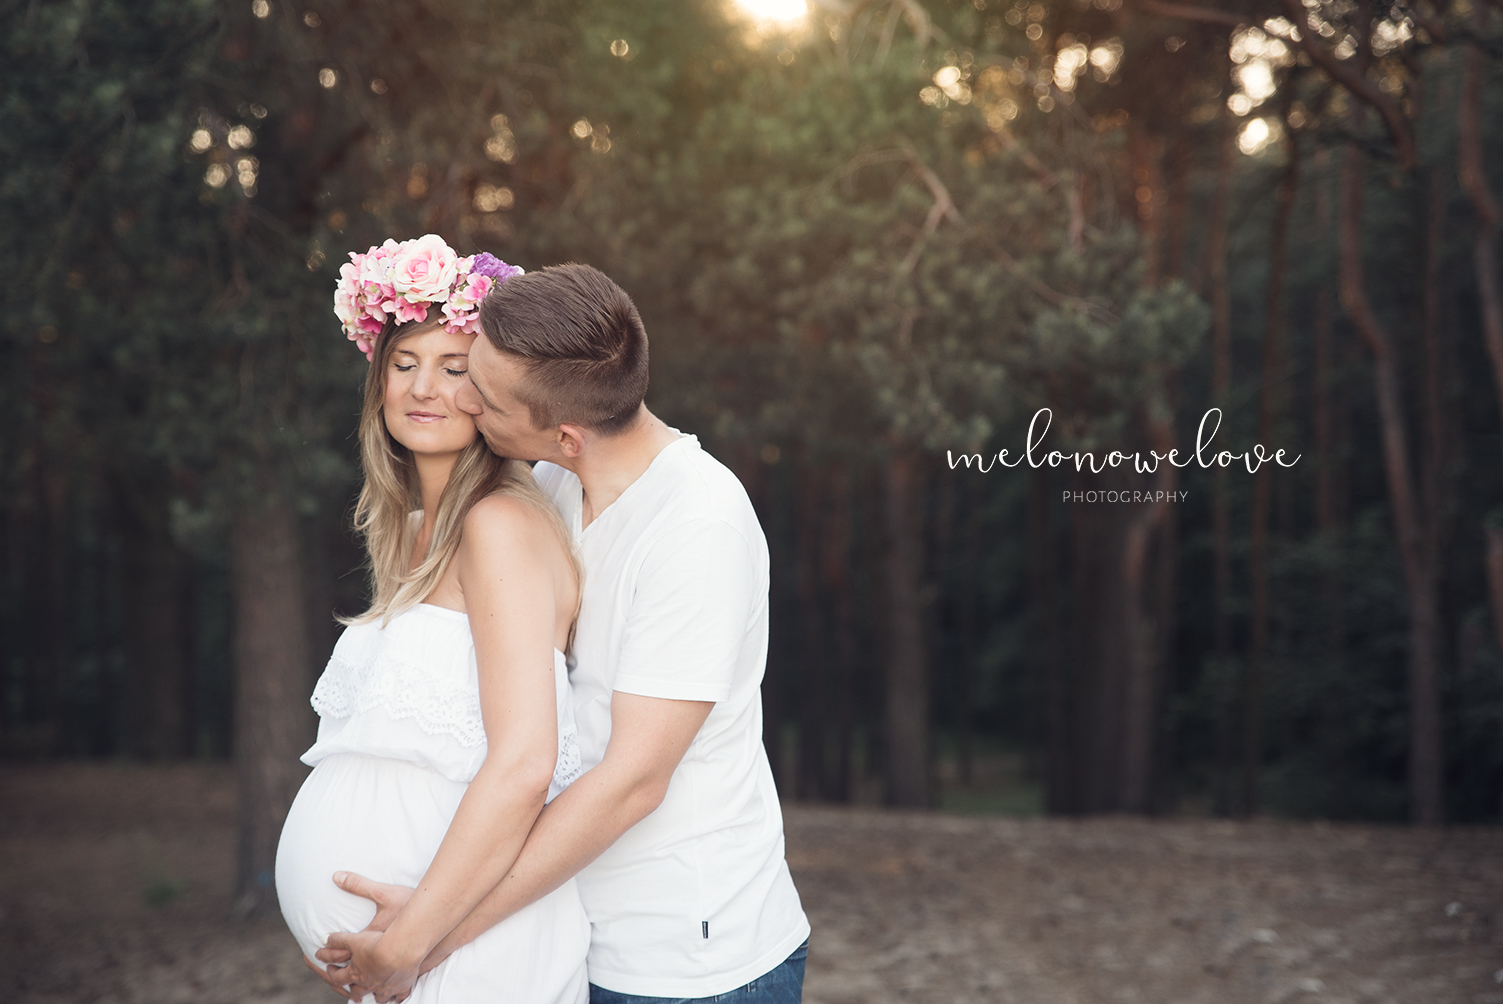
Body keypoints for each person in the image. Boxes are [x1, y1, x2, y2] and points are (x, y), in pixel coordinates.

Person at [311, 263, 810, 1003]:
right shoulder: (552, 480)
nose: (463, 398)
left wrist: (423, 939)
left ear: (566, 435)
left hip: (683, 958)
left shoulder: (698, 525)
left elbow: (632, 783)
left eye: (482, 394)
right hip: (567, 922)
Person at [274, 236, 590, 1004]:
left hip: (460, 950)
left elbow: (525, 763)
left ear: (492, 389)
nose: (423, 388)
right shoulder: (418, 530)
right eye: (404, 363)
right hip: (413, 959)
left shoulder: (498, 524)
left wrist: (408, 943)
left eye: (454, 368)